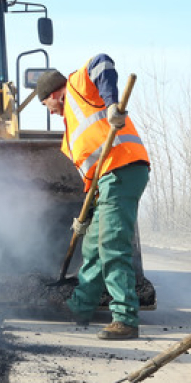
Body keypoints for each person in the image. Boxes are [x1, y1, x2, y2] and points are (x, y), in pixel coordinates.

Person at [36, 55, 150, 340]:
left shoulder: (77, 86)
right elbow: (90, 175)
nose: (49, 111)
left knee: (111, 244)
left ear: (53, 94)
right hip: (105, 183)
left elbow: (102, 63)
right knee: (92, 247)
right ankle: (81, 307)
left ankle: (125, 318)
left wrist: (112, 104)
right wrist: (84, 216)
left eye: (45, 105)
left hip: (123, 169)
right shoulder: (69, 135)